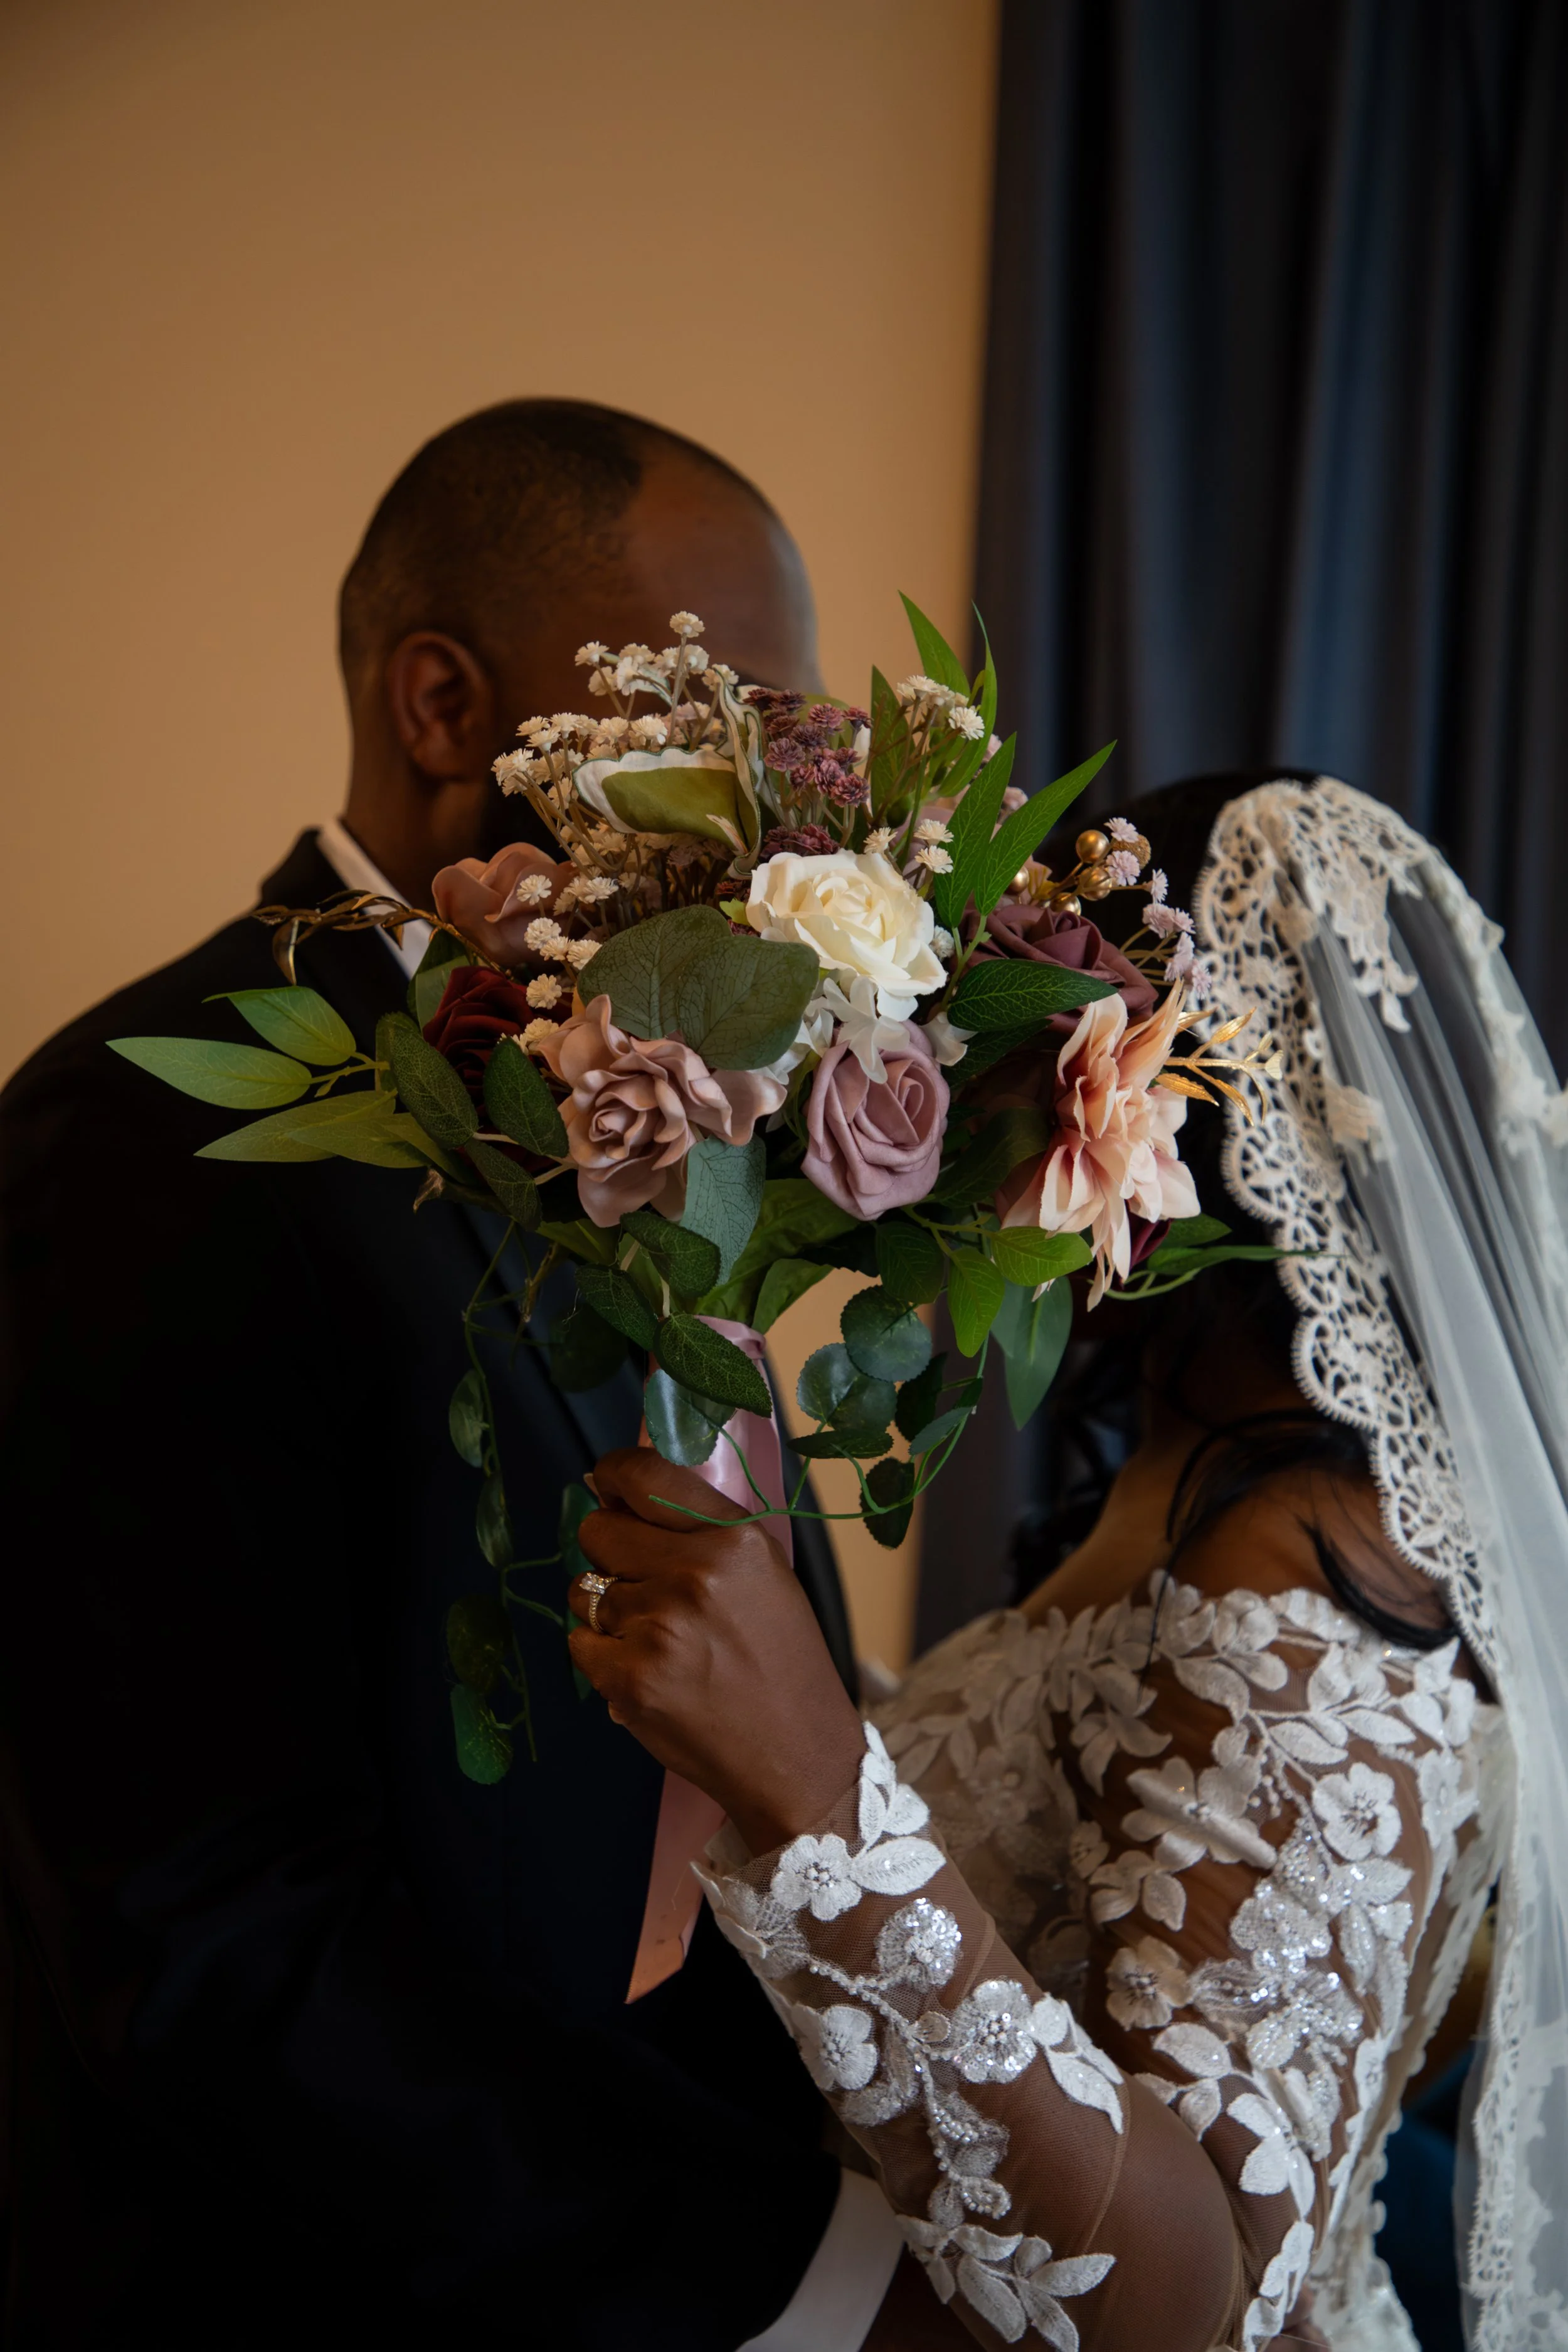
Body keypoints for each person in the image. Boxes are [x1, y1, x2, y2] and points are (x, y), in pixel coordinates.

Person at [0, 401, 920, 2349]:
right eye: (723, 719)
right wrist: (791, 2274)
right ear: (443, 703)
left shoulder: (664, 1085)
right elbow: (208, 1920)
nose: (785, 802)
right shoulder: (140, 1140)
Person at [566, 773, 1568, 2349]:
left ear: (1160, 1099)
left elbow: (1189, 2314)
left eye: (1009, 1039)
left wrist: (821, 1787)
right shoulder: (1217, 1503)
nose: (958, 1109)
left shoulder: (1290, 1577)